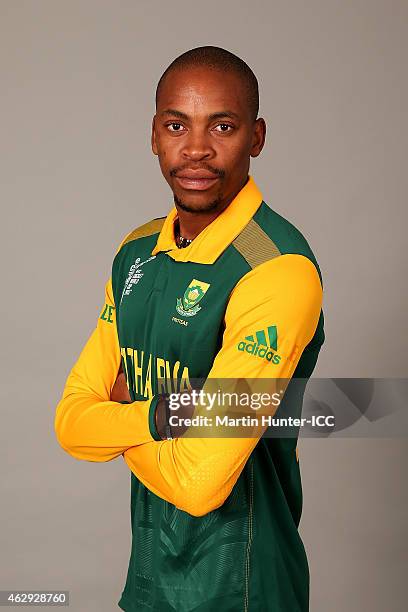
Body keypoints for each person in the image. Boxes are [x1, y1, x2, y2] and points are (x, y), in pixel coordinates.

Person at [54, 45, 325, 612]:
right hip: (150, 581)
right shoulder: (135, 253)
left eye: (222, 126)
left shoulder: (275, 270)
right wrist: (160, 416)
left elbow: (201, 482)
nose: (197, 149)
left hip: (244, 589)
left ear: (257, 137)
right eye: (177, 125)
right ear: (154, 134)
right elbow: (69, 425)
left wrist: (116, 423)